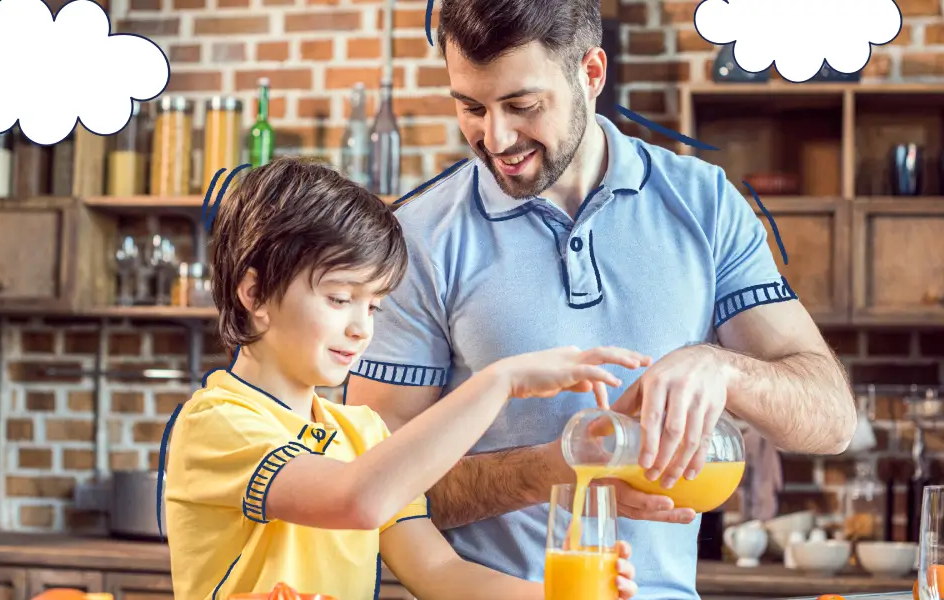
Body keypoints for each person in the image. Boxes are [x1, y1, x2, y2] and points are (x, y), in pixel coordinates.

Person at [344, 0, 858, 598]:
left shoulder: (705, 205)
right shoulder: (418, 241)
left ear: (590, 74)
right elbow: (375, 493)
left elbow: (833, 420)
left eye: (522, 105)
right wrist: (554, 471)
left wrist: (721, 367)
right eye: (471, 107)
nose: (496, 137)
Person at [162, 157, 648, 600]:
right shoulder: (217, 422)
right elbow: (355, 501)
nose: (361, 327)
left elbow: (440, 572)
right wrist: (500, 381)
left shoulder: (362, 435)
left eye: (372, 305)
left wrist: (560, 596)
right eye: (338, 299)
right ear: (255, 293)